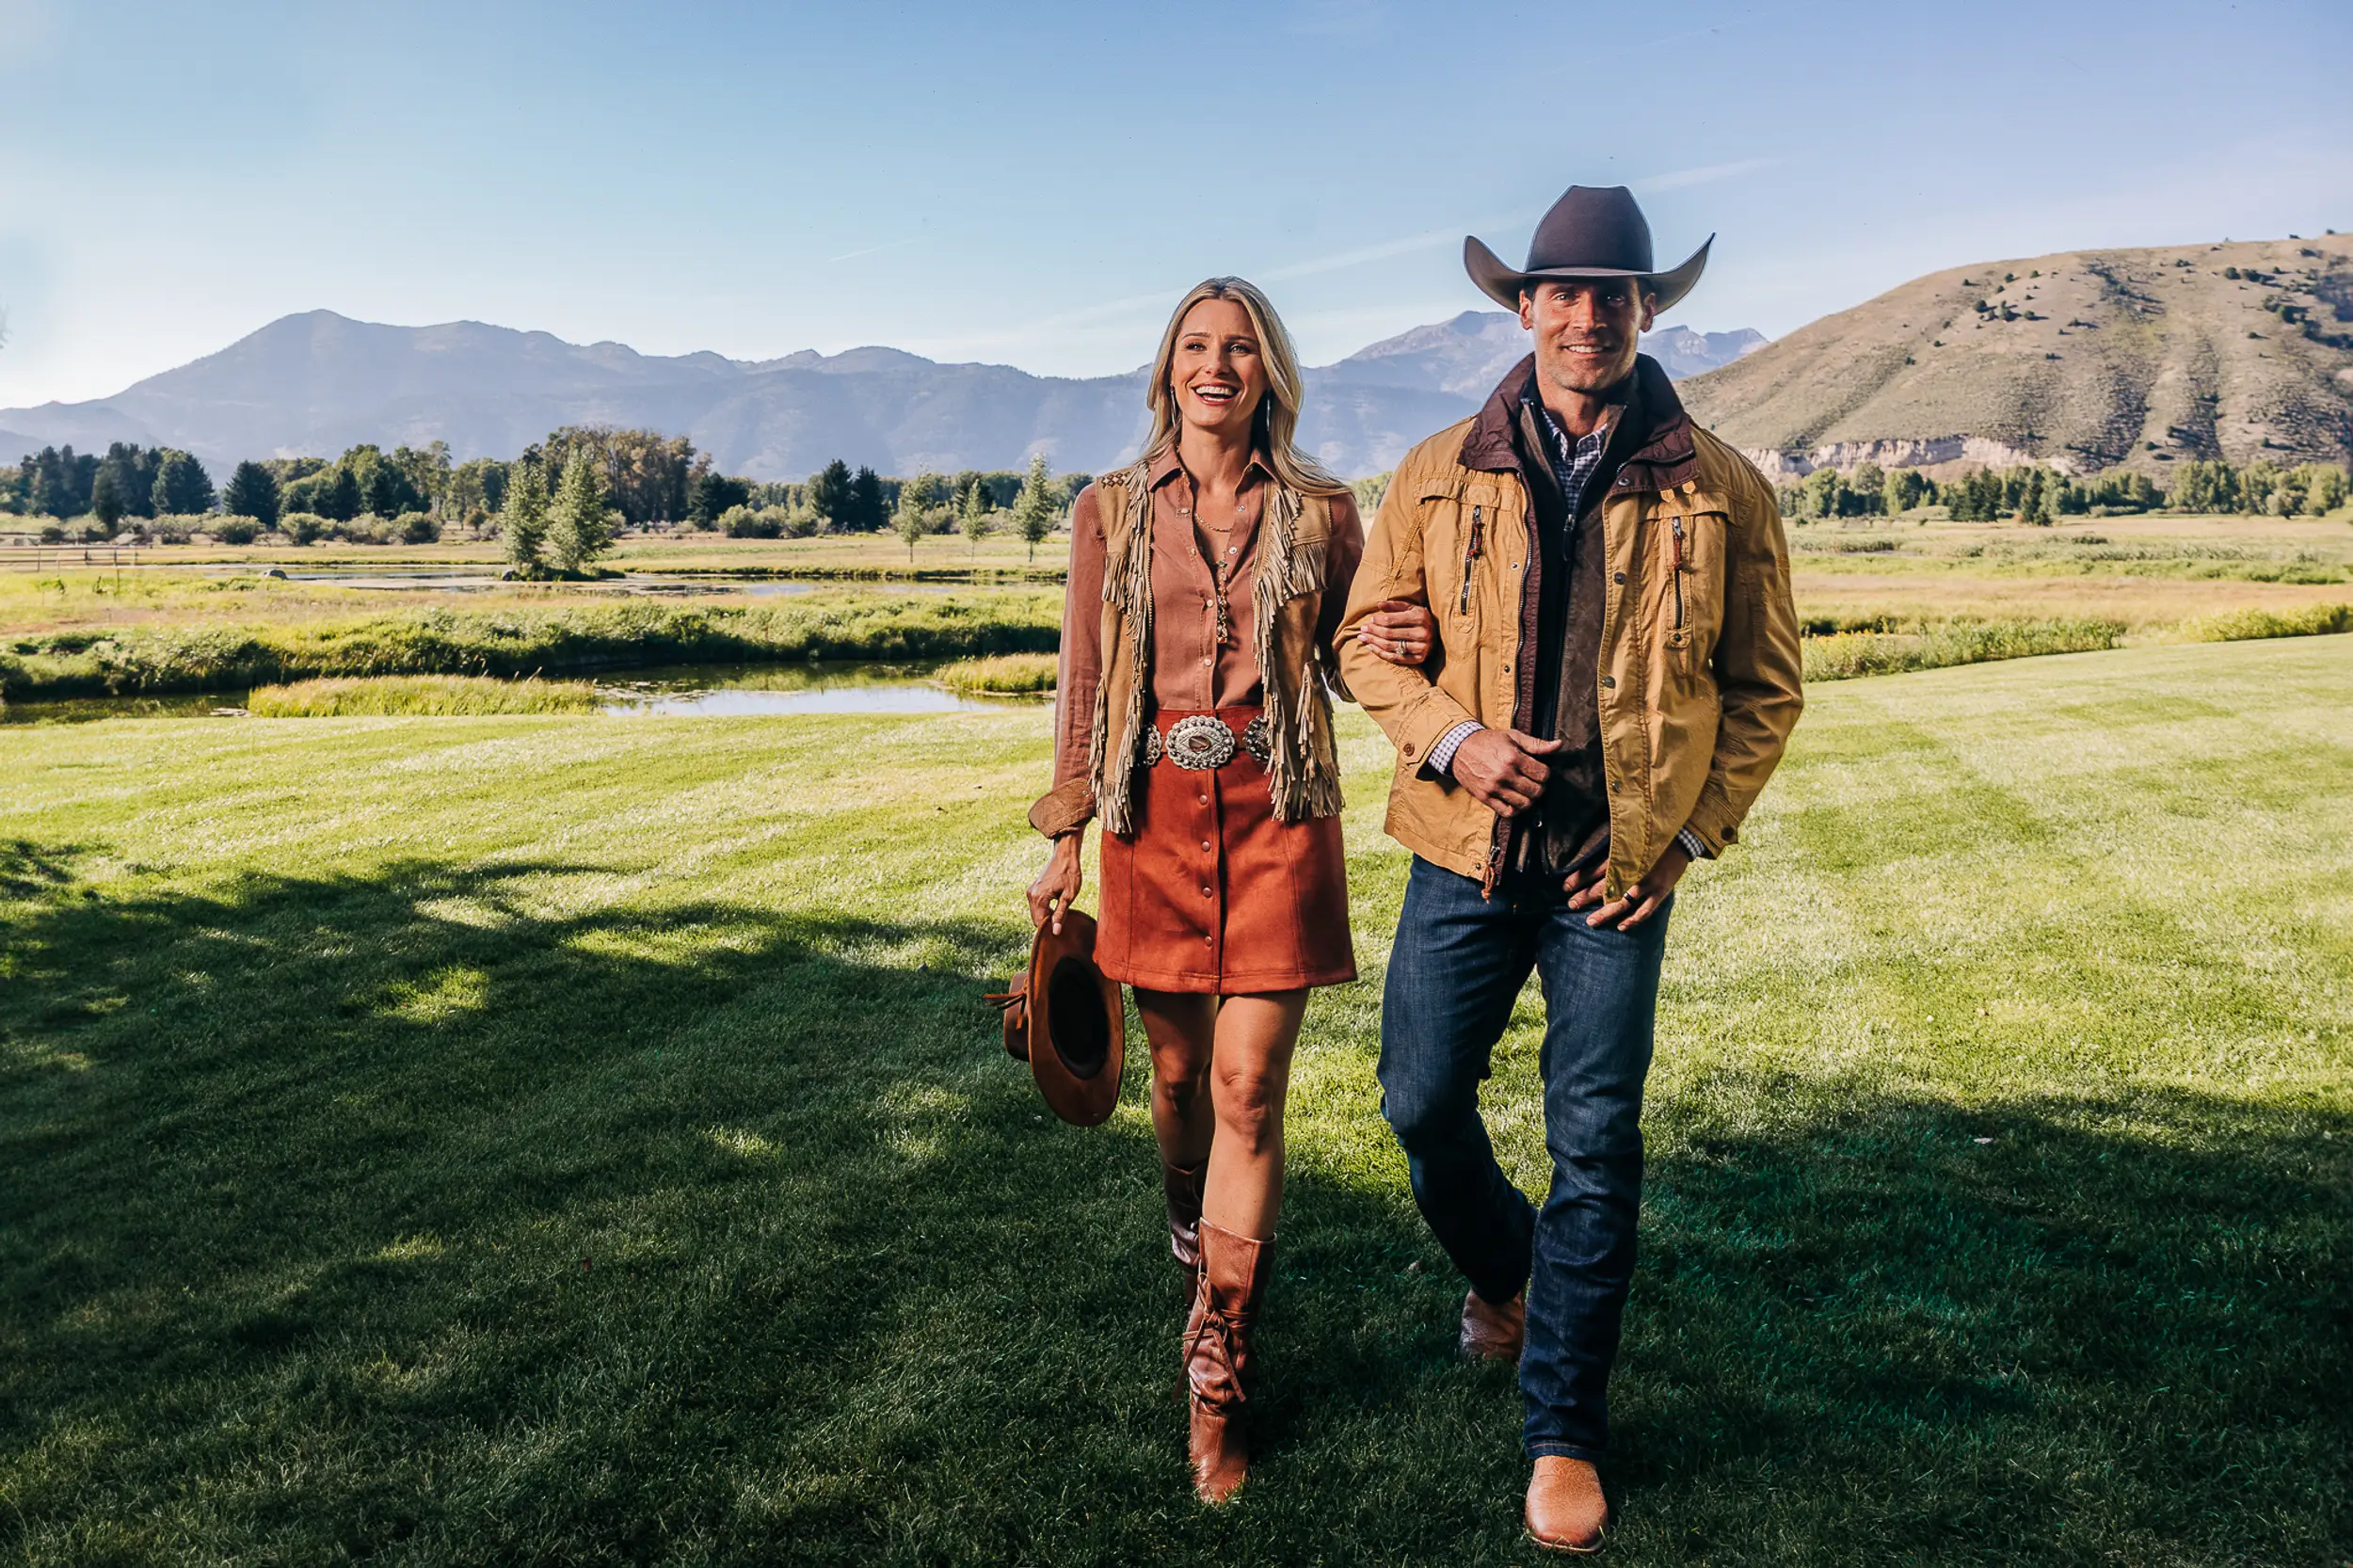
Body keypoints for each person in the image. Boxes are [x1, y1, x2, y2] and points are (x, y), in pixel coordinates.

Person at [1336, 185, 1805, 1553]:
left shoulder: (1722, 486)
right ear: (1524, 306)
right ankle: (1506, 1275)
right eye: (1564, 290)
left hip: (1619, 876)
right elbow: (1364, 645)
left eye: (1616, 291)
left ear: (1647, 308)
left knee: (1596, 1144)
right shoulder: (1434, 470)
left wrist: (1696, 833)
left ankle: (1564, 1434)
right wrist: (1455, 737)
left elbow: (1765, 689)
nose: (1588, 313)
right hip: (1464, 853)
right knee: (1419, 1102)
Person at [1025, 277, 1435, 1503]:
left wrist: (1401, 646)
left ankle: (1218, 1366)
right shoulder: (1109, 510)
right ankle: (1188, 1222)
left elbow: (1359, 651)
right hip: (1147, 825)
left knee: (1250, 1086)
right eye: (1198, 347)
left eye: (1241, 347)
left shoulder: (1321, 510)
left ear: (1269, 372)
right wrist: (1063, 836)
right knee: (1174, 1081)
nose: (1219, 364)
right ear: (1169, 371)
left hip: (1279, 821)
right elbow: (1085, 681)